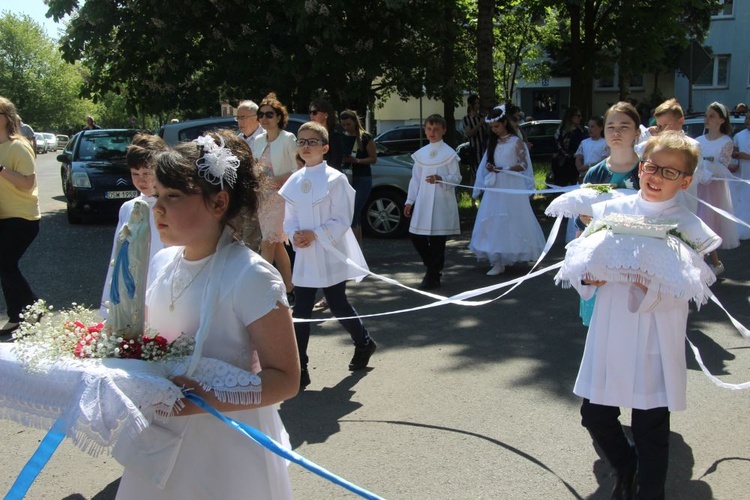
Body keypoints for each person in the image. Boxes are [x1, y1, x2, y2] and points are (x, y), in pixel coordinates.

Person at [114, 130, 299, 499]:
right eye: (157, 196)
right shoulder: (164, 262)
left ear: (218, 203)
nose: (158, 209)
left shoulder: (251, 276)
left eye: (173, 197)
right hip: (162, 440)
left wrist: (205, 399)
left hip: (226, 448)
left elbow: (286, 379)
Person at [569, 131, 721, 500]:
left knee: (651, 424)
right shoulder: (609, 211)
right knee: (595, 414)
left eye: (670, 173)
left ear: (685, 180)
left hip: (655, 333)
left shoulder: (691, 228)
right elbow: (578, 262)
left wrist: (647, 282)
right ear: (641, 167)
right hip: (610, 328)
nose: (656, 177)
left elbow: (692, 285)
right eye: (652, 167)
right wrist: (588, 276)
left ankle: (650, 493)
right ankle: (625, 465)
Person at [279, 121, 376, 390]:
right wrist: (296, 234)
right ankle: (301, 367)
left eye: (312, 141)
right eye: (302, 141)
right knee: (301, 309)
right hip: (307, 254)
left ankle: (364, 342)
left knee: (337, 303)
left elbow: (343, 217)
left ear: (325, 148)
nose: (306, 146)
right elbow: (290, 218)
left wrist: (316, 234)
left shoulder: (336, 178)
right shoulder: (294, 180)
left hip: (330, 249)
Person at [469, 105, 544, 276]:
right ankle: (497, 260)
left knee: (512, 218)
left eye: (497, 126)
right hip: (496, 188)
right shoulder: (492, 143)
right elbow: (483, 165)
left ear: (504, 123)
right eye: (492, 128)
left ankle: (513, 253)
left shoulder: (516, 141)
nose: (494, 130)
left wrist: (505, 168)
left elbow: (524, 165)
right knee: (493, 219)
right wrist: (482, 180)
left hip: (511, 186)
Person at [100, 133, 169, 318]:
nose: (141, 180)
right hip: (134, 285)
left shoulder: (172, 205)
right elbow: (117, 255)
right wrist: (109, 303)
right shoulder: (128, 208)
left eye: (147, 173)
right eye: (135, 174)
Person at [404, 114, 461, 290]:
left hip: (441, 201)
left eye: (436, 129)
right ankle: (432, 267)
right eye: (429, 129)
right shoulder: (421, 154)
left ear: (443, 130)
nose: (432, 132)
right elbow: (415, 180)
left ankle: (433, 275)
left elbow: (457, 177)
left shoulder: (449, 153)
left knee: (437, 240)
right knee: (416, 236)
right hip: (423, 201)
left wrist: (441, 178)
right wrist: (409, 201)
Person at [251, 93, 298, 299]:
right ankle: (289, 287)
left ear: (279, 117)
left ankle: (262, 291)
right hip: (262, 197)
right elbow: (254, 168)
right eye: (260, 114)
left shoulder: (289, 139)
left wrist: (278, 180)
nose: (264, 118)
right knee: (277, 244)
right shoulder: (258, 140)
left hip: (281, 196)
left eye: (269, 114)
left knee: (268, 243)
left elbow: (299, 168)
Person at [0, 97, 40, 336]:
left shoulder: (19, 146)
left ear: (6, 117)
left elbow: (28, 183)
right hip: (2, 216)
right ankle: (17, 315)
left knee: (4, 263)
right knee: (4, 266)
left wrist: (2, 170)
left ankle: (31, 307)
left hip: (23, 217)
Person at [695, 101, 740, 275]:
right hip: (697, 186)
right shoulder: (698, 140)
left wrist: (706, 168)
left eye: (712, 116)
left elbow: (723, 166)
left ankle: (707, 263)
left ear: (721, 120)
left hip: (713, 189)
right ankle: (712, 262)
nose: (707, 119)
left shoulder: (726, 141)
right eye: (706, 115)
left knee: (706, 224)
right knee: (698, 224)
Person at [634, 98, 701, 212]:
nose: (663, 130)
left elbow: (698, 176)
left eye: (666, 125)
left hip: (682, 202)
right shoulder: (655, 145)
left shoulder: (693, 146)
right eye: (659, 126)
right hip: (657, 203)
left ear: (681, 121)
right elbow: (637, 152)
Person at [340, 109, 376, 247]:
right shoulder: (341, 137)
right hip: (346, 177)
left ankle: (357, 249)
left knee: (354, 213)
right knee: (351, 214)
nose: (346, 128)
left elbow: (373, 159)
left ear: (355, 122)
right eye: (343, 125)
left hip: (362, 178)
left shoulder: (365, 137)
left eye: (348, 124)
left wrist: (357, 161)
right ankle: (356, 248)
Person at [552, 106, 587, 186]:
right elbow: (558, 147)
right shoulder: (561, 131)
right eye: (578, 116)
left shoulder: (581, 131)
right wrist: (573, 155)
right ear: (571, 117)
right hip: (562, 166)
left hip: (576, 165)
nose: (580, 118)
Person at [731, 113, 750, 239]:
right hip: (741, 175)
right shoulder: (739, 135)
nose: (748, 120)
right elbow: (733, 152)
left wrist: (747, 157)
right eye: (747, 118)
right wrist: (736, 154)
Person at [310, 99, 343, 171]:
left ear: (326, 115)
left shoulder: (335, 134)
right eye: (310, 112)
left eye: (315, 112)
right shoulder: (311, 134)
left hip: (331, 174)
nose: (311, 115)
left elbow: (336, 160)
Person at [462, 94, 489, 178]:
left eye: (478, 103)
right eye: (476, 103)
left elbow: (487, 133)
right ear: (471, 105)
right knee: (476, 174)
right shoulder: (466, 119)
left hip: (484, 149)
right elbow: (469, 133)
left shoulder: (481, 117)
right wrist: (479, 124)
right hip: (474, 150)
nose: (478, 105)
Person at [574, 115, 609, 181]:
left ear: (601, 128)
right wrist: (580, 168)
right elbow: (578, 157)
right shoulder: (584, 142)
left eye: (592, 127)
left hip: (598, 176)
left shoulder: (605, 143)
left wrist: (589, 166)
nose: (589, 129)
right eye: (589, 126)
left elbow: (604, 160)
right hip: (584, 175)